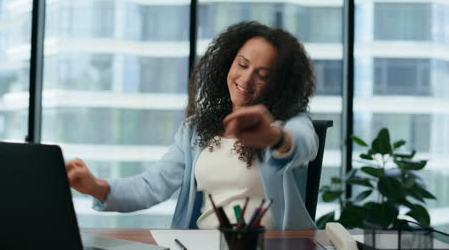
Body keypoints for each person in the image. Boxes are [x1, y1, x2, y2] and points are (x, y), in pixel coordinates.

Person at [66, 21, 319, 230]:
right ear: (227, 64)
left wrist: (273, 137)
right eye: (242, 65)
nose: (246, 78)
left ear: (280, 84)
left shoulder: (291, 124)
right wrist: (96, 187)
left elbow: (304, 143)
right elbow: (152, 186)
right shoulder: (195, 130)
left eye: (262, 76)